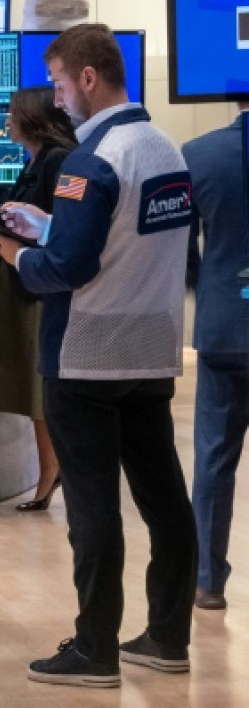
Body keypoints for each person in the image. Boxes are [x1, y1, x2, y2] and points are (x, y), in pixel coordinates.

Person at [0, 24, 197, 688]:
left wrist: (21, 253)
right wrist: (48, 224)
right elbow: (128, 241)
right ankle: (167, 637)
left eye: (57, 84)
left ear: (86, 78)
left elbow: (70, 270)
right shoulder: (166, 149)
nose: (55, 101)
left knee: (93, 506)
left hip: (85, 357)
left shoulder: (90, 161)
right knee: (165, 499)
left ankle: (95, 649)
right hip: (149, 350)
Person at [0, 87, 76, 511]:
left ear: (34, 119)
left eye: (13, 113)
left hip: (37, 286)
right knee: (34, 388)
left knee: (40, 389)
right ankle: (49, 471)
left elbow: (58, 225)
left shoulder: (57, 160)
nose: (6, 121)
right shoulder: (36, 160)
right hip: (23, 280)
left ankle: (51, 473)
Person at [183, 102, 249, 611]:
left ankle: (207, 581)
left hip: (225, 323)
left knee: (213, 457)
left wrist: (209, 288)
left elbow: (183, 253)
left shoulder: (198, 154)